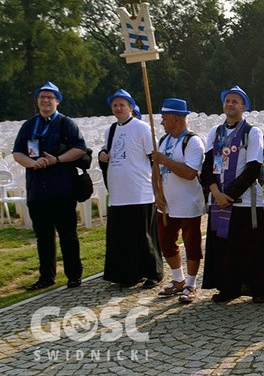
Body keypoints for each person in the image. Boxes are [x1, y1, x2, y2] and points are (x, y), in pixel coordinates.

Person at [13, 81, 87, 290]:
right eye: (42, 97)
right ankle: (46, 277)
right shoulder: (29, 125)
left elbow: (80, 149)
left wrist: (58, 159)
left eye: (50, 98)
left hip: (62, 188)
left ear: (57, 101)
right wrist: (32, 163)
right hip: (37, 189)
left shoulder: (66, 123)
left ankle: (74, 275)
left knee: (67, 234)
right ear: (38, 101)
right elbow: (17, 152)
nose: (45, 101)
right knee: (43, 236)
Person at [200, 85, 264, 303]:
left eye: (235, 102)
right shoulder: (215, 133)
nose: (230, 104)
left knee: (250, 247)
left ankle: (256, 288)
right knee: (225, 247)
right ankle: (228, 287)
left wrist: (227, 196)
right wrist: (215, 193)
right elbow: (207, 167)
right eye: (227, 101)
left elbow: (252, 170)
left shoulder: (252, 132)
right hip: (219, 200)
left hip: (244, 201)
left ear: (243, 107)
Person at [99, 89, 163, 288]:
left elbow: (153, 157)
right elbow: (106, 149)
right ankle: (128, 274)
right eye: (115, 105)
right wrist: (102, 154)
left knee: (143, 236)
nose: (118, 108)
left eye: (122, 105)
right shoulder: (110, 130)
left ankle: (152, 272)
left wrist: (157, 186)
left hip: (139, 190)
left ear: (131, 107)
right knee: (122, 236)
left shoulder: (141, 128)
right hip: (119, 193)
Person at [150, 98, 206, 303]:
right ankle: (178, 279)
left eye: (165, 118)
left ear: (176, 118)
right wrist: (157, 193)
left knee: (191, 243)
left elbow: (190, 173)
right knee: (166, 241)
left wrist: (164, 160)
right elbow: (155, 171)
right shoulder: (163, 140)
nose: (162, 122)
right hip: (166, 203)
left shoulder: (192, 141)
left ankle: (191, 283)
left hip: (187, 201)